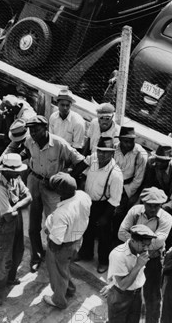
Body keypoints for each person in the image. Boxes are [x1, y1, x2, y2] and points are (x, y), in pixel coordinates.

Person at [23, 115, 88, 273]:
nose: (33, 133)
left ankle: (54, 258)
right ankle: (36, 255)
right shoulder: (29, 141)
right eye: (31, 130)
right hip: (34, 182)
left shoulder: (59, 144)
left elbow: (82, 162)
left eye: (36, 130)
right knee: (33, 224)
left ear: (45, 129)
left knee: (54, 225)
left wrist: (63, 178)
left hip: (52, 188)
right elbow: (26, 153)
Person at [100, 225, 157, 323]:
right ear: (133, 240)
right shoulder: (118, 255)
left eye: (148, 244)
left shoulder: (140, 251)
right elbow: (123, 285)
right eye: (144, 244)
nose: (147, 248)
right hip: (120, 296)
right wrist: (139, 265)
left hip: (136, 295)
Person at [118, 187, 172, 323]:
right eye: (150, 205)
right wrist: (142, 245)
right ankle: (123, 320)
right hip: (132, 255)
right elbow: (121, 232)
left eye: (157, 205)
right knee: (127, 288)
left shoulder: (166, 219)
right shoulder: (135, 212)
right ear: (143, 203)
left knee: (153, 295)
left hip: (153, 260)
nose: (154, 208)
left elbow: (158, 243)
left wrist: (136, 241)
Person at [0, 153, 32, 306]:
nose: (19, 172)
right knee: (1, 258)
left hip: (15, 221)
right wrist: (20, 204)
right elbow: (7, 216)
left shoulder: (15, 178)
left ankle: (9, 279)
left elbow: (29, 197)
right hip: (3, 225)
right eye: (16, 170)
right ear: (6, 170)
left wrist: (16, 206)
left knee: (17, 251)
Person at [43, 173, 92, 309]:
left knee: (56, 272)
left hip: (63, 245)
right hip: (77, 239)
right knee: (64, 268)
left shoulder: (62, 213)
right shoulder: (83, 195)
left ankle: (59, 300)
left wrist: (48, 231)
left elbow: (56, 242)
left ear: (59, 192)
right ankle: (69, 289)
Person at [78, 137, 124, 273]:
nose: (102, 155)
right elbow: (80, 165)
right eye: (100, 151)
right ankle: (85, 254)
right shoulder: (93, 158)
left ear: (112, 153)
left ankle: (103, 261)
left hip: (104, 206)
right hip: (88, 201)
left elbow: (115, 199)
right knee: (87, 230)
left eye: (106, 152)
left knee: (104, 235)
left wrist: (105, 216)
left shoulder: (116, 174)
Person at [112, 126, 148, 243]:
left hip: (128, 186)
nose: (128, 144)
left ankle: (117, 239)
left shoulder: (140, 153)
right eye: (126, 141)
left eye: (131, 141)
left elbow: (138, 179)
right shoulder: (114, 148)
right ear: (120, 139)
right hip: (112, 182)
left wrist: (125, 192)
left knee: (119, 212)